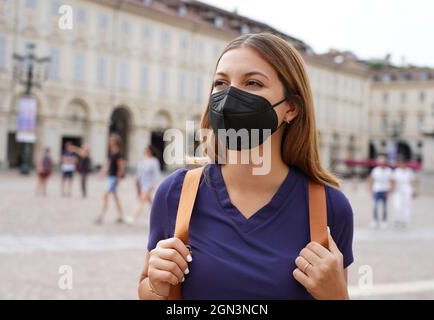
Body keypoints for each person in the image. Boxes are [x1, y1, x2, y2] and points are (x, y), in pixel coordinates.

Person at [138, 33, 354, 300]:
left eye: (252, 83)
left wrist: (337, 296)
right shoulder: (176, 193)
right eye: (221, 83)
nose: (229, 97)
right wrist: (155, 288)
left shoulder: (329, 207)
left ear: (291, 108)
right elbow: (148, 291)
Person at [96, 135, 127, 224]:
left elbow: (120, 167)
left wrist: (118, 179)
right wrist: (102, 173)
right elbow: (108, 165)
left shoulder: (118, 153)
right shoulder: (112, 152)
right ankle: (120, 216)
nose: (109, 142)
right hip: (111, 177)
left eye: (111, 141)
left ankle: (101, 216)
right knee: (115, 197)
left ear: (115, 142)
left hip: (114, 178)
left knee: (106, 196)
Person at [132, 145, 162, 223]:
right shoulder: (142, 161)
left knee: (141, 200)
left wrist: (154, 184)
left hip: (149, 184)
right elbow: (139, 173)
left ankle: (134, 217)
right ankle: (159, 216)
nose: (146, 152)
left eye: (147, 150)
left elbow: (157, 173)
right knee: (151, 202)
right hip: (142, 183)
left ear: (150, 151)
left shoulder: (154, 161)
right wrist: (137, 182)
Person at [391, 159, 417, 229]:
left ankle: (405, 221)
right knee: (397, 205)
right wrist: (391, 189)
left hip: (407, 189)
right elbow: (393, 181)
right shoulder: (396, 171)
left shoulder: (409, 171)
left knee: (406, 205)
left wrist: (413, 191)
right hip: (398, 189)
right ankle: (397, 219)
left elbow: (412, 182)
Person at [368, 155, 392, 229]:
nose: (382, 164)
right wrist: (370, 190)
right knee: (375, 206)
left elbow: (392, 180)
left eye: (383, 162)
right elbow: (371, 180)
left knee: (385, 207)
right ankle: (374, 220)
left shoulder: (389, 170)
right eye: (380, 162)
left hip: (385, 190)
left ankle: (384, 221)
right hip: (377, 190)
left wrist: (390, 190)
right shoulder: (375, 170)